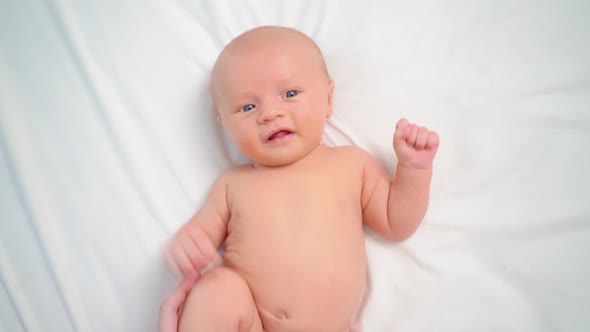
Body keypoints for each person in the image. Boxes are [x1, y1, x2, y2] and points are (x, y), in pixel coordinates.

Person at [160, 25, 440, 332]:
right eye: (247, 107)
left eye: (290, 94)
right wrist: (190, 243)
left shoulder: (350, 165)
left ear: (329, 99)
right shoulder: (232, 185)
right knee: (216, 289)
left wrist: (414, 170)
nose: (270, 114)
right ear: (224, 122)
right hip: (253, 324)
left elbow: (396, 221)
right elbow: (201, 237)